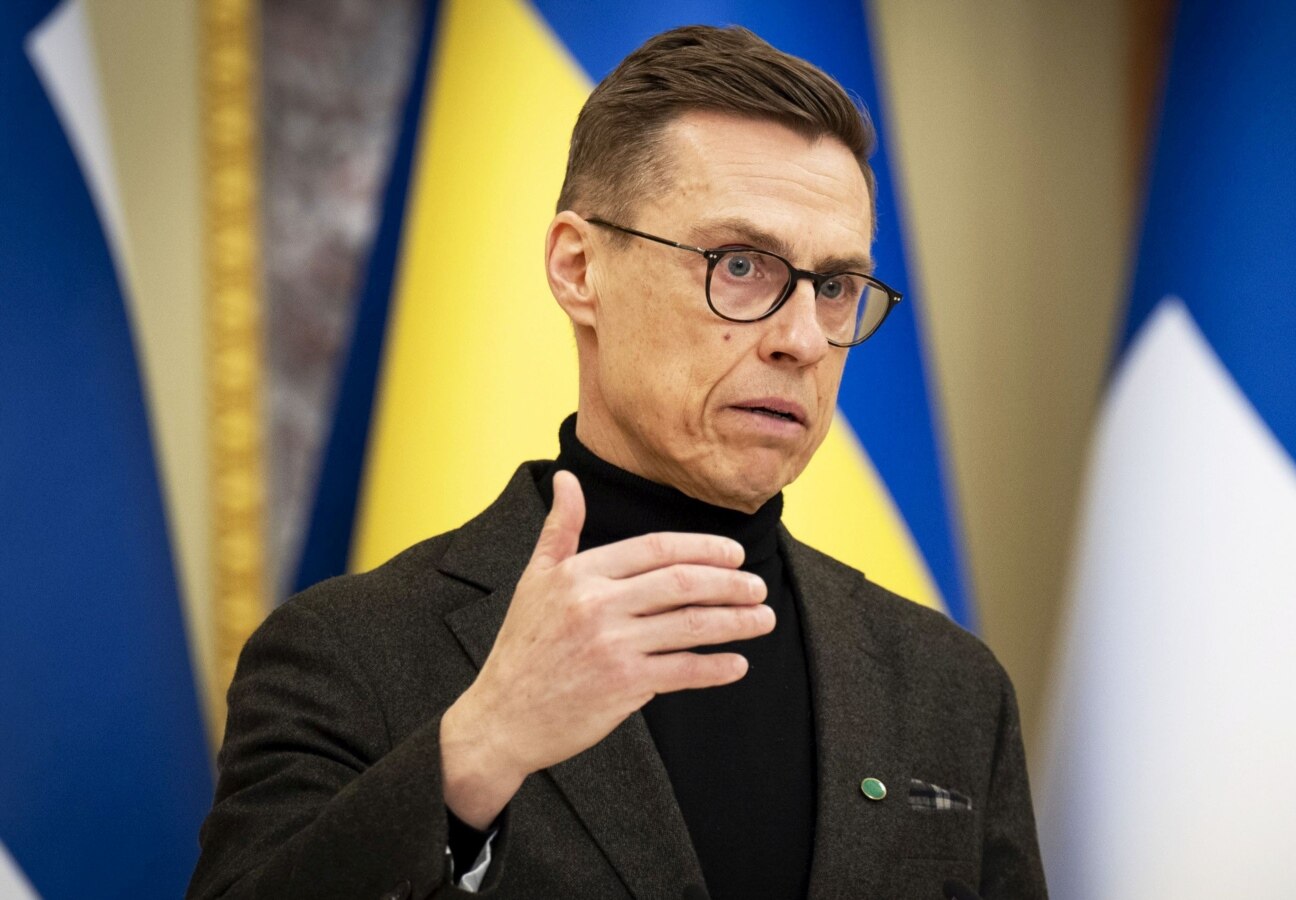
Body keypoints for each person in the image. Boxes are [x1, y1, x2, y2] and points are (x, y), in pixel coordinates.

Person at [189, 24, 1045, 900]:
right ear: (579, 268)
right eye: (740, 264)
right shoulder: (346, 653)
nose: (802, 340)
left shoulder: (950, 686)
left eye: (833, 287)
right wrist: (483, 745)